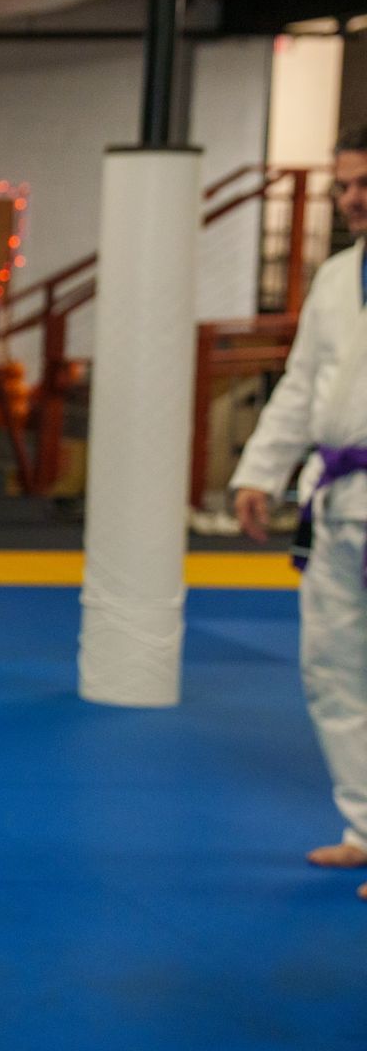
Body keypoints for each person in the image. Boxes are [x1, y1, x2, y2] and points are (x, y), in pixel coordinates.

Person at [231, 125, 367, 901]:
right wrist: (261, 470)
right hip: (339, 496)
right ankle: (363, 828)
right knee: (332, 666)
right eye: (345, 184)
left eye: (364, 183)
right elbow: (301, 384)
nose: (352, 197)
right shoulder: (337, 278)